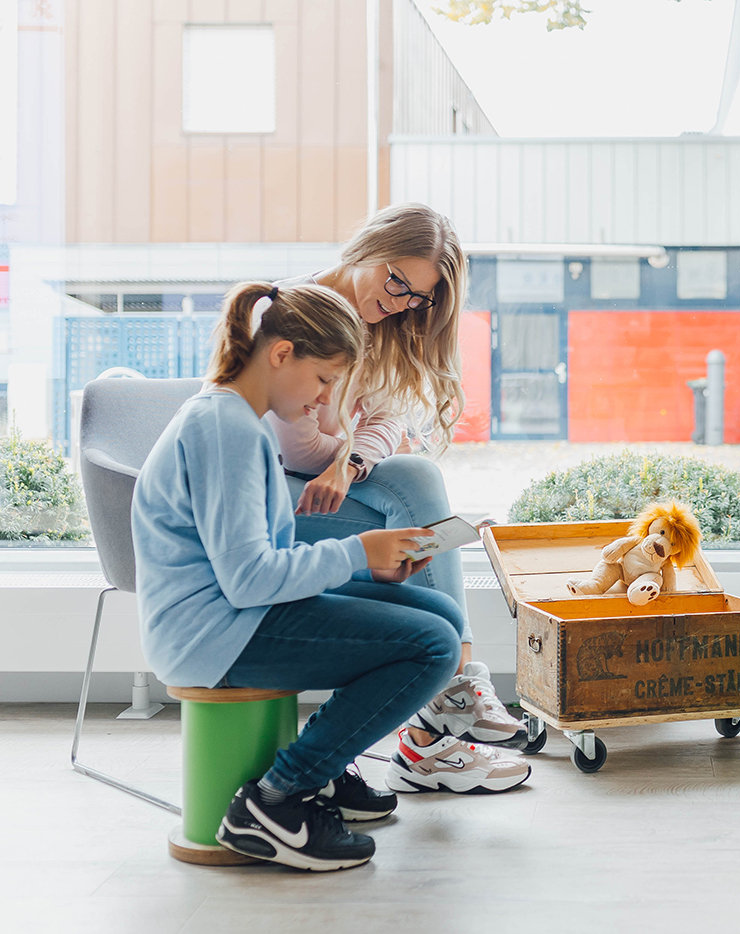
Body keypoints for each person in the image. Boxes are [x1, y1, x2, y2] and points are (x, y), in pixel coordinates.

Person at [133, 282, 529, 872]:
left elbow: (267, 558)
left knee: (440, 614)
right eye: (322, 382)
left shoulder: (238, 419)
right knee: (432, 644)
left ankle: (325, 763)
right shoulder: (227, 430)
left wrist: (375, 567)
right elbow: (248, 579)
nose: (323, 405)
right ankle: (276, 798)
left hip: (236, 614)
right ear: (281, 353)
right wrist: (358, 551)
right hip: (213, 632)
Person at [270, 203, 524, 750]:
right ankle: (450, 696)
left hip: (321, 483)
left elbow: (388, 419)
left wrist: (351, 462)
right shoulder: (296, 310)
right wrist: (343, 455)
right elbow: (297, 443)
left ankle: (451, 691)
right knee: (420, 508)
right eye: (395, 280)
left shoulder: (384, 326)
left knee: (415, 476)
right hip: (266, 497)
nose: (398, 302)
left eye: (415, 297)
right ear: (369, 244)